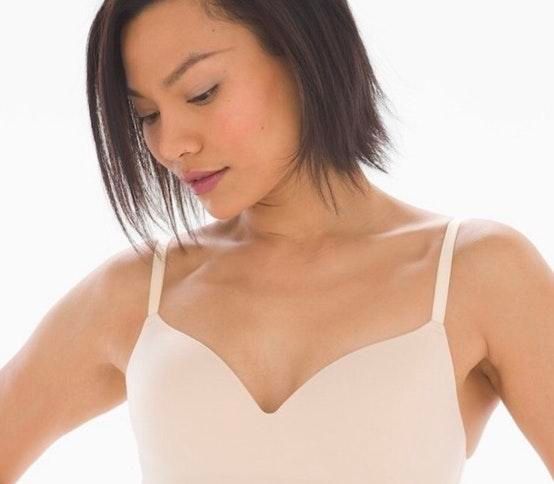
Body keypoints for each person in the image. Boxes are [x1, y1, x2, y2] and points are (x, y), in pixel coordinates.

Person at [1, 0, 552, 482]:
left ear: (302, 50)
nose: (170, 144)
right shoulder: (138, 295)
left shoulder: (478, 275)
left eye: (201, 93)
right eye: (146, 114)